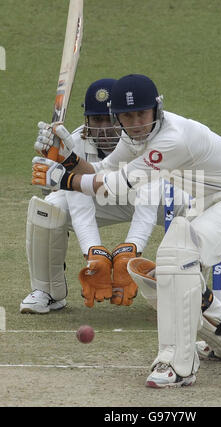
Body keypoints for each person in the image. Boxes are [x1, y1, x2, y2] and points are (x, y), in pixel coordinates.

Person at [31, 74, 221, 388]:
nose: (135, 123)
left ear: (157, 110)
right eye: (127, 116)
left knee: (177, 256)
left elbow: (116, 185)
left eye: (142, 114)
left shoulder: (172, 138)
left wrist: (60, 178)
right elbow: (102, 174)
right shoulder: (133, 138)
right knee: (159, 276)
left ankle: (178, 365)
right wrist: (67, 159)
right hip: (210, 204)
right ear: (116, 117)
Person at [22, 77, 187, 313]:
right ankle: (48, 292)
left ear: (118, 116)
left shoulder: (144, 138)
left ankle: (188, 290)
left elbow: (148, 203)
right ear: (86, 120)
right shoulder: (74, 143)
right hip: (101, 199)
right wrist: (94, 253)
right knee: (48, 207)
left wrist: (131, 249)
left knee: (190, 205)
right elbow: (78, 199)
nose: (104, 128)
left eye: (107, 120)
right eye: (95, 120)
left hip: (151, 197)